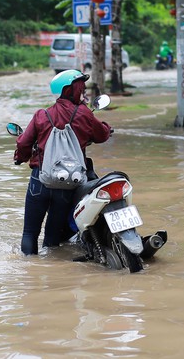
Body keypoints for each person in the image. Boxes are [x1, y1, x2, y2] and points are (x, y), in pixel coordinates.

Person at [13, 70, 113, 255]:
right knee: (52, 239)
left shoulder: (42, 115)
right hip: (68, 184)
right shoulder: (84, 114)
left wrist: (20, 157)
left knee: (29, 233)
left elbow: (23, 143)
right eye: (82, 90)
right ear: (72, 90)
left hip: (40, 181)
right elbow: (101, 134)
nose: (84, 94)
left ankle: (30, 273)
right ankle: (52, 271)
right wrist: (106, 127)